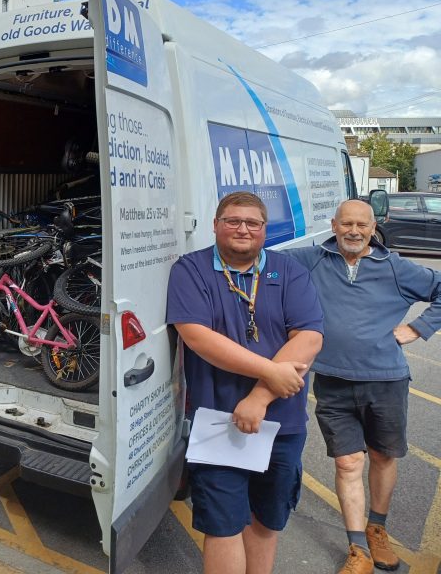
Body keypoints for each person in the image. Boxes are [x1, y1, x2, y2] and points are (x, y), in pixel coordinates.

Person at [166, 191, 324, 574]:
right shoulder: (191, 270)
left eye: (252, 223)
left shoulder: (289, 272)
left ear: (264, 230)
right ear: (216, 225)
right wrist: (270, 372)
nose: (242, 229)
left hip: (281, 424)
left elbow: (309, 337)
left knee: (266, 522)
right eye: (233, 221)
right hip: (218, 423)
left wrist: (259, 396)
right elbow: (197, 336)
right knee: (222, 527)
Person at [287, 199, 441, 574]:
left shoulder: (395, 267)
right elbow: (257, 259)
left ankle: (377, 529)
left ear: (374, 227)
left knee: (383, 456)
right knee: (347, 461)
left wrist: (417, 328)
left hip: (386, 381)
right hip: (332, 382)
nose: (353, 231)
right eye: (346, 224)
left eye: (361, 225)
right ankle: (358, 549)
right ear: (333, 225)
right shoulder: (310, 260)